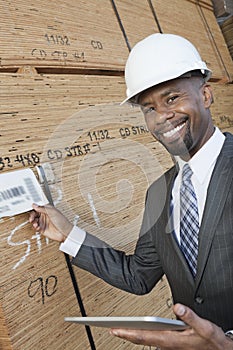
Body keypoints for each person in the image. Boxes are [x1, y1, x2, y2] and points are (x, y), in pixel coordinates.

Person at [29, 33, 233, 349]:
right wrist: (69, 233)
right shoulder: (159, 193)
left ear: (205, 95)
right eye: (148, 108)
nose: (162, 117)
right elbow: (139, 276)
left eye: (172, 98)